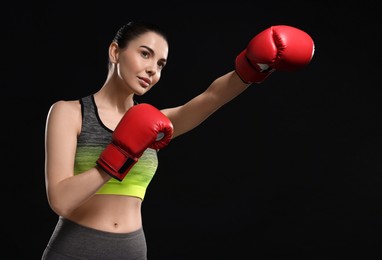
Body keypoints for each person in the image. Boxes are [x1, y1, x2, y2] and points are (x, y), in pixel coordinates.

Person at [41, 21, 315, 259]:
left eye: (160, 64)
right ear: (115, 52)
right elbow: (61, 201)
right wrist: (120, 154)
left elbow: (211, 98)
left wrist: (253, 65)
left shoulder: (155, 123)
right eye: (145, 54)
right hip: (76, 249)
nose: (152, 70)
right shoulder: (69, 112)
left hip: (132, 249)